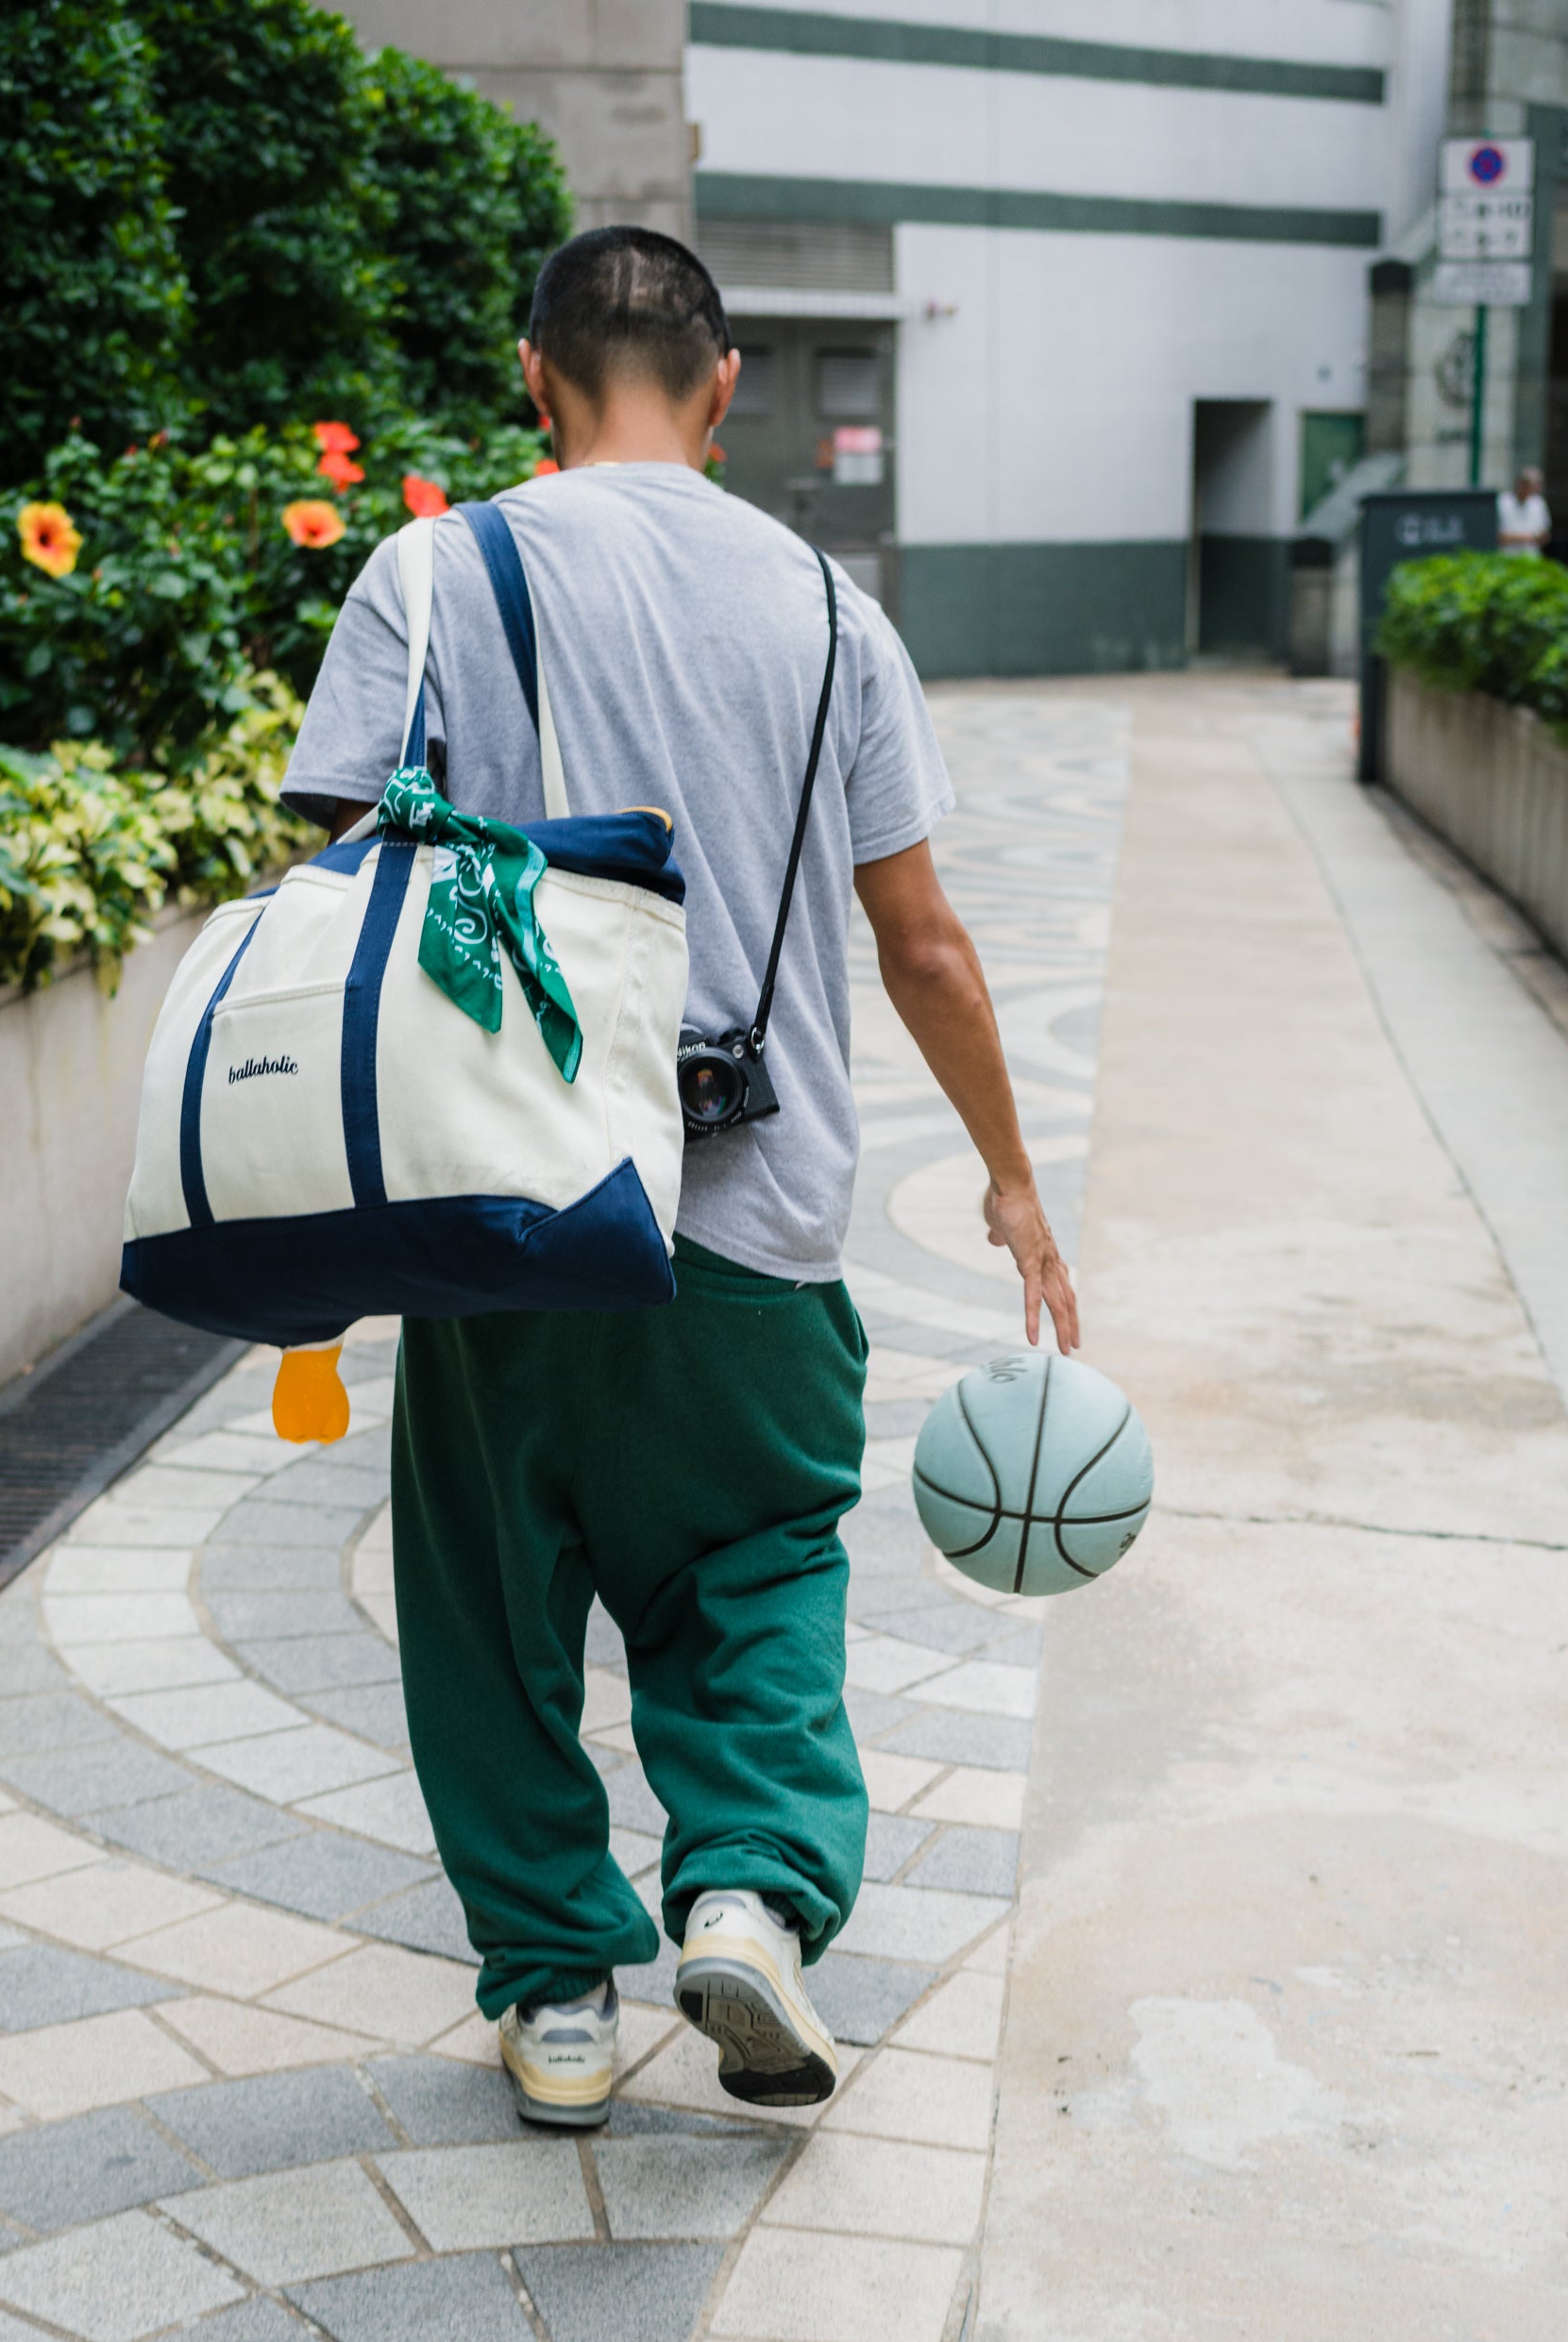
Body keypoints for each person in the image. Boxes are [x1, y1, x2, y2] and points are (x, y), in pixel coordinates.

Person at [280, 227, 1074, 2127]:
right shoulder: (828, 610)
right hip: (763, 1216)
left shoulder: (433, 570)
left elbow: (333, 886)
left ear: (533, 381)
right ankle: (746, 1892)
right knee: (766, 1567)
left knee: (490, 1598)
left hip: (505, 1209)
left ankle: (557, 1998)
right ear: (724, 391)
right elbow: (928, 942)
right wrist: (1014, 1181)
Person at [1497, 465, 1551, 555]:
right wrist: (1531, 538)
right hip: (1506, 557)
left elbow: (1545, 536)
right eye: (1526, 484)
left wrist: (1514, 538)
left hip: (1531, 558)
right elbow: (1500, 537)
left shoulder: (1539, 503)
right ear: (1518, 483)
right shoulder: (1502, 502)